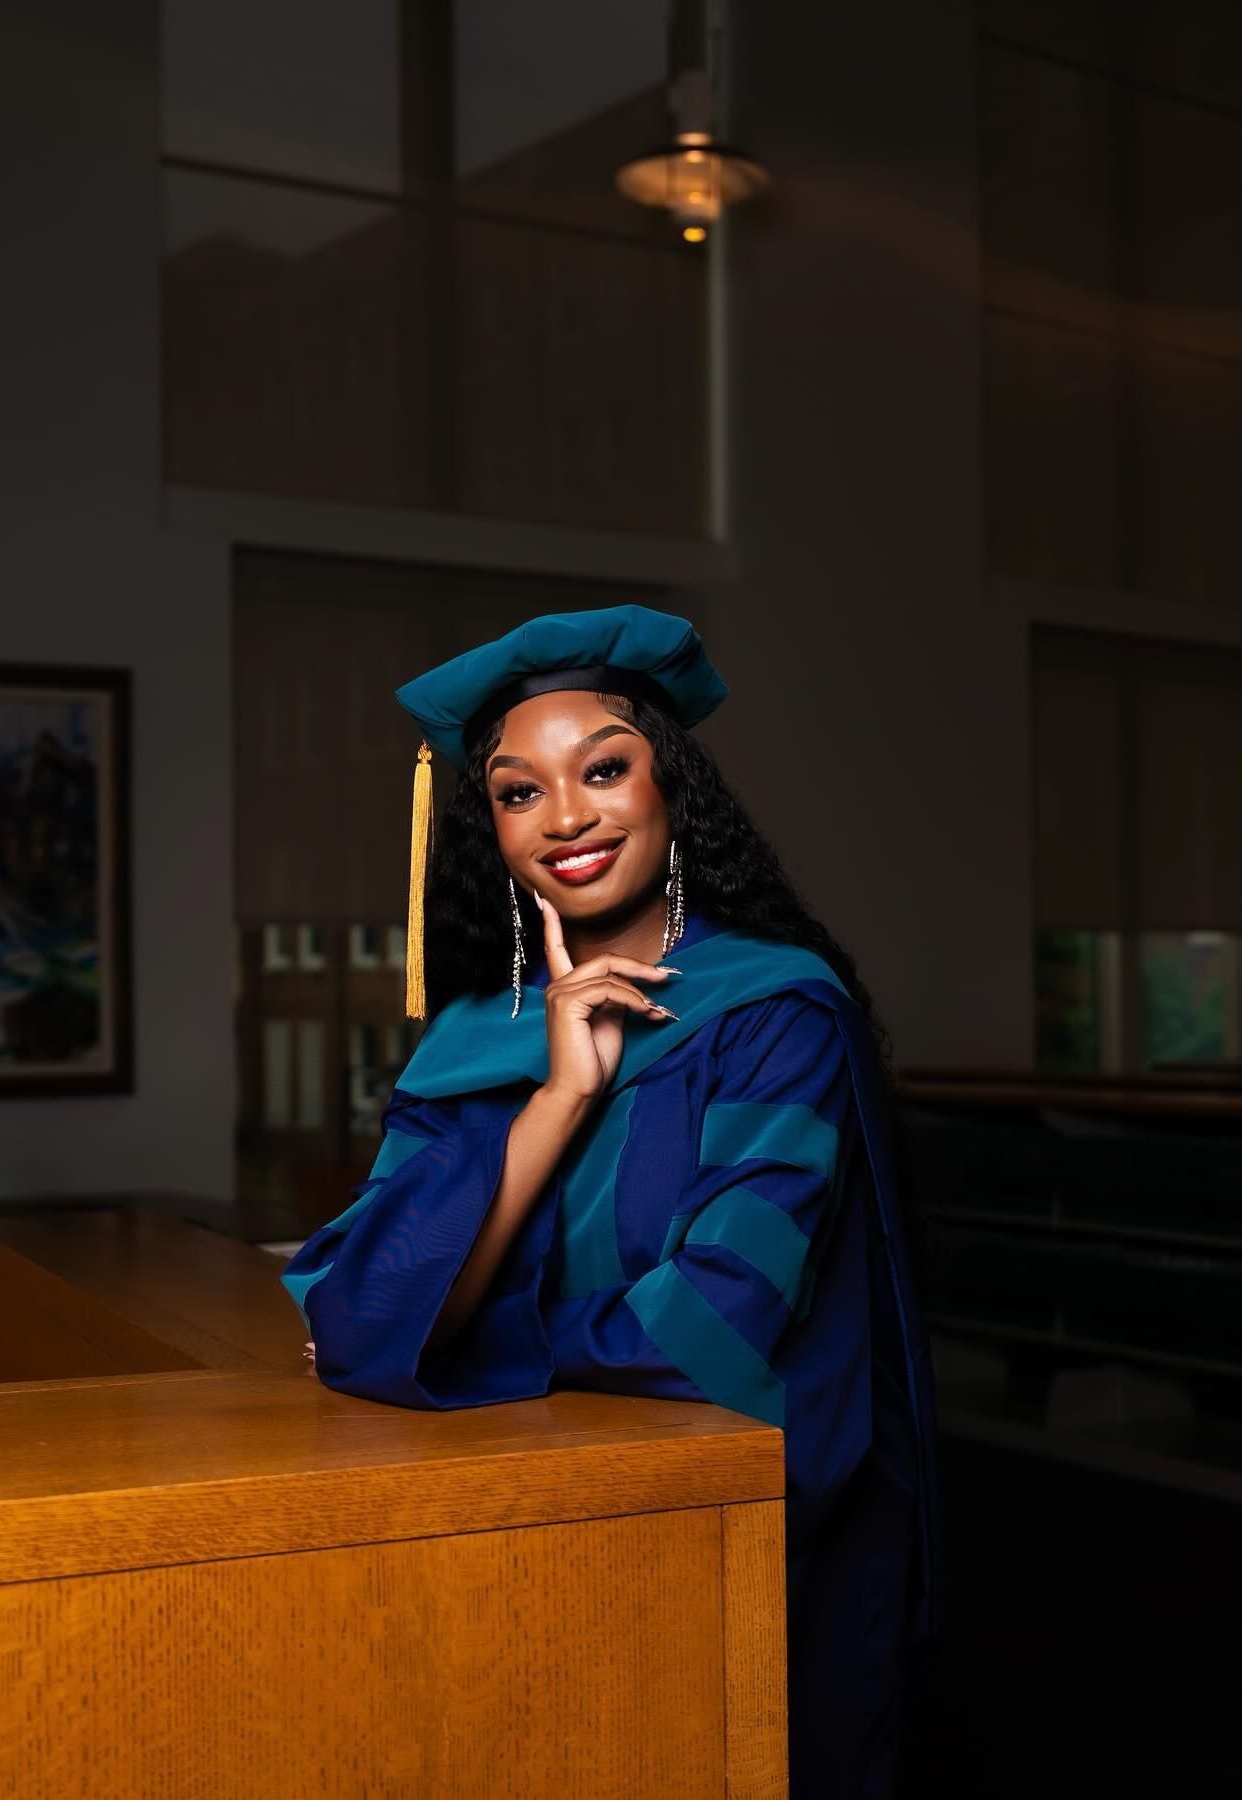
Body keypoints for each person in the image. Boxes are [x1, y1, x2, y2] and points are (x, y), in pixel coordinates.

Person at [282, 604, 938, 1797]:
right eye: (517, 790)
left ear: (672, 785)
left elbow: (722, 1316)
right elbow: (357, 1315)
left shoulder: (773, 1015)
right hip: (500, 1517)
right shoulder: (480, 1042)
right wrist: (555, 1101)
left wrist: (468, 1328)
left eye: (604, 769)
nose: (567, 817)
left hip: (715, 1521)